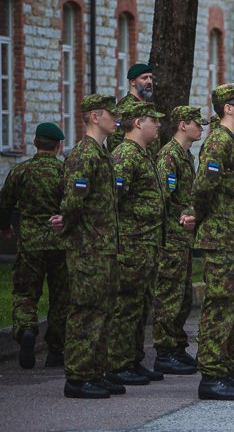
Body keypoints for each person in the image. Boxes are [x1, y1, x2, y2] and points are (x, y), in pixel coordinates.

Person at [52, 94, 121, 399]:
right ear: (95, 116)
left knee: (102, 310)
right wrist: (66, 222)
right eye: (110, 113)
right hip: (87, 248)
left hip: (103, 246)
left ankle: (95, 371)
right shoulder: (84, 154)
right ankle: (78, 378)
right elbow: (74, 201)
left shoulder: (101, 152)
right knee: (85, 311)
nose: (115, 118)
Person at [192, 83, 234, 400]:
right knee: (219, 306)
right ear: (228, 108)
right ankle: (211, 375)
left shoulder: (232, 141)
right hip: (220, 239)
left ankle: (224, 369)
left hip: (233, 239)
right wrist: (198, 217)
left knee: (231, 306)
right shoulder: (218, 142)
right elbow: (203, 188)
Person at [107, 101, 166, 386]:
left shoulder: (144, 154)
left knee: (141, 305)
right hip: (131, 244)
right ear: (139, 123)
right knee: (126, 305)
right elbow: (113, 201)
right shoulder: (125, 155)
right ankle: (118, 363)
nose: (158, 125)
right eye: (153, 120)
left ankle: (133, 358)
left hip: (146, 243)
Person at [0, 122, 67, 370]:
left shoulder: (20, 172)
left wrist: (5, 227)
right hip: (60, 244)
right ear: (59, 146)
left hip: (30, 244)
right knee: (61, 298)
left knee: (25, 293)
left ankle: (27, 328)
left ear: (35, 143)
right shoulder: (65, 172)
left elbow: (4, 203)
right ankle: (56, 351)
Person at [153, 106, 205, 375]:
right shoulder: (169, 156)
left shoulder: (186, 156)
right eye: (197, 123)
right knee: (169, 295)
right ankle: (164, 350)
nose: (201, 128)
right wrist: (182, 215)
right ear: (182, 125)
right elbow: (163, 198)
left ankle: (176, 345)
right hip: (171, 236)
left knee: (183, 295)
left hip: (183, 236)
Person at [108, 63, 158, 154]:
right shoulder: (125, 107)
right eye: (144, 78)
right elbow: (114, 142)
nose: (149, 81)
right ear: (132, 82)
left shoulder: (148, 106)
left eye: (150, 78)